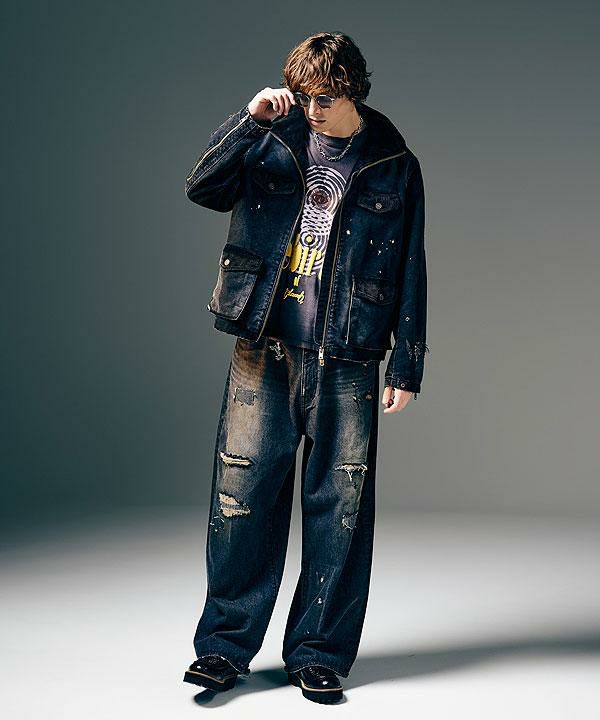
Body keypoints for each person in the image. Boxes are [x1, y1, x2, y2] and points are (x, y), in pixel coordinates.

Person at [182, 31, 429, 704]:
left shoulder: (394, 162)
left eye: (325, 99)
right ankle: (223, 649)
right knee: (241, 498)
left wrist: (405, 364)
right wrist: (248, 120)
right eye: (304, 96)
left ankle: (319, 655)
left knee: (339, 507)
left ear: (353, 92)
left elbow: (412, 265)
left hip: (348, 352)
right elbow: (203, 187)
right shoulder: (273, 133)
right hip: (264, 344)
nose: (312, 110)